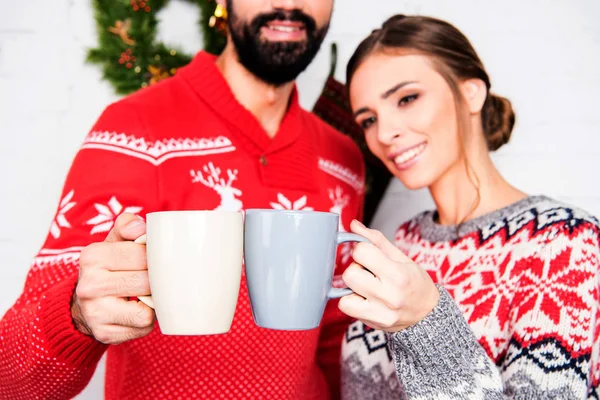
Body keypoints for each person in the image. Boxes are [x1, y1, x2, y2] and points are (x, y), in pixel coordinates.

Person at [0, 1, 366, 399]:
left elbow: (335, 346)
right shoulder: (132, 131)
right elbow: (12, 381)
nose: (289, 4)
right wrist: (76, 315)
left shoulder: (343, 160)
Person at [337, 14, 600, 399]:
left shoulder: (567, 244)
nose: (384, 133)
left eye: (407, 98)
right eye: (368, 119)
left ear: (472, 92)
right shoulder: (404, 242)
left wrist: (428, 320)